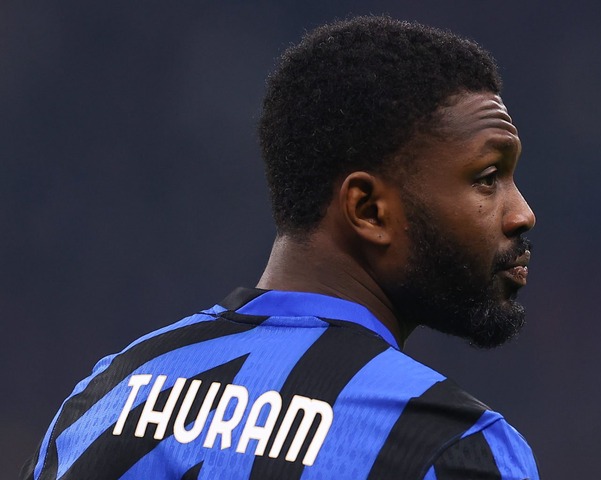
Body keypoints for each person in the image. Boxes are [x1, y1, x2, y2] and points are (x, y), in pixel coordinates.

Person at [23, 15, 539, 479]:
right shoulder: (451, 448)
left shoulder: (107, 399)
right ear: (368, 210)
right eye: (488, 177)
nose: (522, 214)